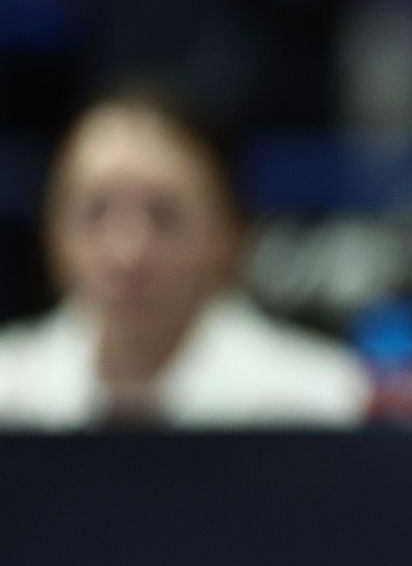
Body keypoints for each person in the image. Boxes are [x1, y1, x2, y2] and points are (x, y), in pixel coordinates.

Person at [0, 84, 372, 427]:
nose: (126, 253)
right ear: (51, 232)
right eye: (95, 212)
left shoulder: (326, 404)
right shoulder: (10, 393)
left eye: (164, 217)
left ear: (230, 233)